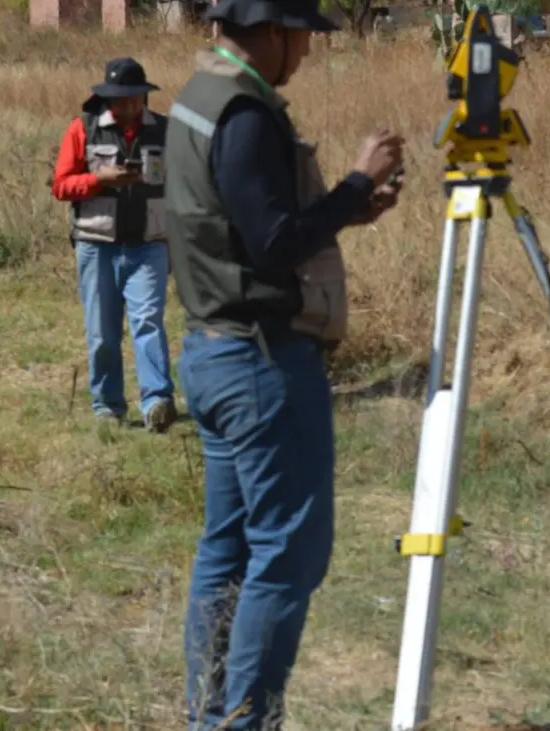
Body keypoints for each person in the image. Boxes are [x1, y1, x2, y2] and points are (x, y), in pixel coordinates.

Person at [162, 0, 406, 727]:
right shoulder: (244, 113)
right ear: (271, 31)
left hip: (213, 348)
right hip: (259, 360)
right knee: (289, 554)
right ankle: (244, 719)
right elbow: (273, 242)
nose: (303, 52)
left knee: (230, 549)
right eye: (300, 36)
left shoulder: (198, 99)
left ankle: (210, 713)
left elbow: (245, 229)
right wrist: (357, 184)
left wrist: (344, 211)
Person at [51, 56, 178, 433]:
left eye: (135, 99)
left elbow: (186, 186)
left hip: (150, 244)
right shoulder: (82, 128)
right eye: (121, 100)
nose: (129, 107)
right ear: (107, 99)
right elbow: (60, 186)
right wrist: (99, 180)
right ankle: (107, 405)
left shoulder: (167, 131)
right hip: (97, 245)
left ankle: (156, 402)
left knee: (148, 323)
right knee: (102, 332)